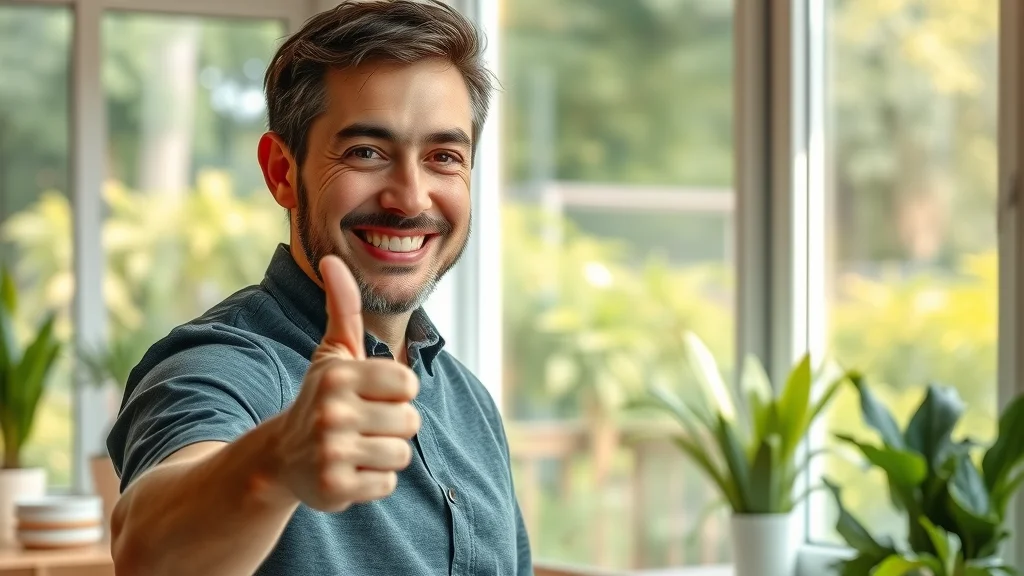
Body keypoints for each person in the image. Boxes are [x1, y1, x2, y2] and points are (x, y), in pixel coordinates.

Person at [105, 1, 532, 574]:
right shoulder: (220, 366)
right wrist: (275, 463)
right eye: (366, 152)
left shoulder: (471, 403)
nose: (410, 197)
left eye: (443, 157)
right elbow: (148, 548)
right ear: (283, 173)